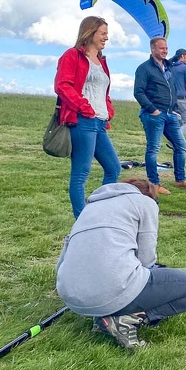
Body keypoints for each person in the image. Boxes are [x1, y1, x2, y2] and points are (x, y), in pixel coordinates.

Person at [56, 178, 186, 350]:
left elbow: (62, 260)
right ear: (150, 196)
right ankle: (125, 319)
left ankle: (106, 316)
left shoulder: (89, 208)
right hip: (109, 291)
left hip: (70, 295)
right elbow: (146, 260)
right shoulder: (144, 203)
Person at [54, 16, 121, 218]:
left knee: (113, 168)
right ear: (90, 33)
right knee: (81, 173)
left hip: (100, 123)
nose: (106, 38)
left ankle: (97, 213)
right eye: (103, 33)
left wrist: (108, 109)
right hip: (82, 121)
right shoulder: (72, 55)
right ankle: (81, 220)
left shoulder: (101, 61)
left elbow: (103, 91)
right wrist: (84, 107)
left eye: (106, 34)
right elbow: (62, 86)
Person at [134, 37, 186, 195]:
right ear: (152, 49)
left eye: (166, 48)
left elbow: (172, 84)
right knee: (153, 149)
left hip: (170, 114)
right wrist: (152, 110)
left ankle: (180, 180)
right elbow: (138, 92)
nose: (165, 51)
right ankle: (154, 184)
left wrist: (174, 109)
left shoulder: (168, 66)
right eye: (161, 48)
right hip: (154, 114)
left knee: (181, 145)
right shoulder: (144, 68)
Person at [169, 48, 186, 136]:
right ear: (182, 56)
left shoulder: (171, 68)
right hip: (183, 98)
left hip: (173, 99)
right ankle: (174, 140)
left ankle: (179, 145)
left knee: (179, 122)